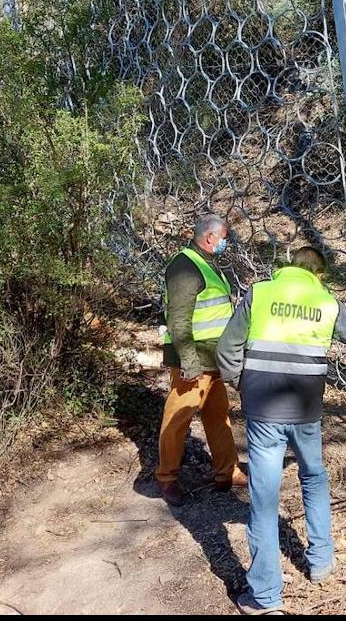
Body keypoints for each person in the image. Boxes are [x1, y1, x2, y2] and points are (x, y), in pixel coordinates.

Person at [216, 247, 346, 615]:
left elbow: (227, 348)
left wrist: (241, 382)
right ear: (319, 275)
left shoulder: (260, 293)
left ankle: (265, 598)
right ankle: (320, 561)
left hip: (263, 410)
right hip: (306, 410)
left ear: (290, 268)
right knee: (314, 477)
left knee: (264, 498)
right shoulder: (326, 302)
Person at [156, 214, 247, 507]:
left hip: (212, 358)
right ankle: (166, 478)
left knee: (218, 416)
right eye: (223, 239)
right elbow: (178, 320)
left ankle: (227, 472)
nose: (225, 244)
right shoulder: (184, 267)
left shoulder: (206, 264)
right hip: (192, 360)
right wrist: (189, 362)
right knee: (178, 418)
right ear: (209, 238)